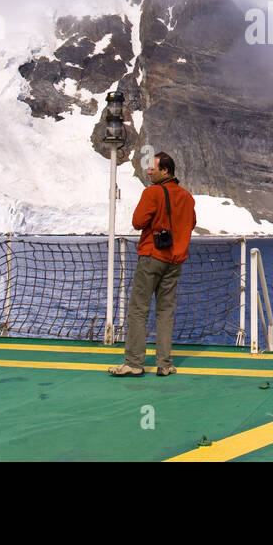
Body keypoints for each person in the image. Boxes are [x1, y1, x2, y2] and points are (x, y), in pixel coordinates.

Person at [109, 151, 196, 377]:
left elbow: (138, 222)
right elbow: (191, 222)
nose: (148, 172)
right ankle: (165, 364)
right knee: (166, 312)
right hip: (175, 261)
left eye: (152, 168)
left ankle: (134, 363)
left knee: (139, 309)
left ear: (165, 170)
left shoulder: (153, 193)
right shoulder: (187, 197)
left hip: (152, 257)